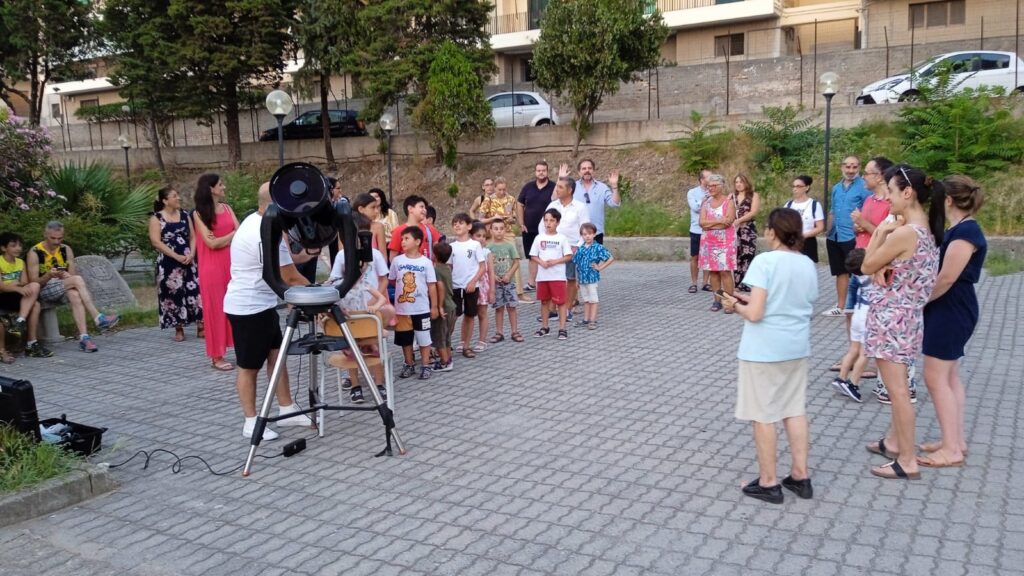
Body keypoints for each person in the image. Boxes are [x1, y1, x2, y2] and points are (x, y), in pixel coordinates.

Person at [721, 208, 818, 504]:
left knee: (763, 414)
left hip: (763, 349)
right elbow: (791, 300)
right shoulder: (807, 264)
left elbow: (756, 313)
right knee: (794, 410)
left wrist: (735, 305)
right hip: (796, 345)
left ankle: (768, 481)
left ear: (772, 232)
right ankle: (801, 476)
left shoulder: (764, 261)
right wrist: (751, 300)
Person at [860, 164, 943, 480]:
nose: (888, 199)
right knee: (898, 388)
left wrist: (879, 231)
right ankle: (894, 441)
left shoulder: (904, 233)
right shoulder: (927, 231)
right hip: (907, 319)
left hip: (892, 321)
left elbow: (867, 264)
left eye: (892, 192)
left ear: (907, 193)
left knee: (897, 392)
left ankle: (907, 460)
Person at [223, 182, 313, 441]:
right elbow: (290, 277)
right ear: (273, 205)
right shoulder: (263, 232)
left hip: (263, 304)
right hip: (248, 308)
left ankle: (287, 408)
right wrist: (323, 295)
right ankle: (251, 421)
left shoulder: (258, 220)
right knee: (249, 366)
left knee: (277, 356)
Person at [918, 175, 987, 468]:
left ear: (948, 200)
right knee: (949, 377)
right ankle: (955, 440)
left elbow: (946, 278)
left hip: (952, 309)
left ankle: (951, 449)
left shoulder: (965, 233)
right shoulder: (960, 229)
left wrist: (918, 301)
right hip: (952, 308)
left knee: (935, 377)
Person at [327, 213, 394, 404]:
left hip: (368, 312)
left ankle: (379, 383)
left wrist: (375, 302)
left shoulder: (375, 255)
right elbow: (334, 282)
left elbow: (383, 278)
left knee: (374, 346)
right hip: (349, 314)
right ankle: (355, 386)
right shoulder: (341, 256)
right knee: (351, 347)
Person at [26, 221, 120, 353]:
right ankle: (98, 317)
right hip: (44, 289)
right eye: (53, 238)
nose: (56, 242)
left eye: (60, 238)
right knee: (77, 281)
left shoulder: (65, 249)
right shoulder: (35, 252)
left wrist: (65, 275)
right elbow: (33, 282)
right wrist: (48, 275)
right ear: (45, 235)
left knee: (75, 295)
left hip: (63, 286)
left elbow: (72, 275)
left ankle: (84, 338)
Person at [192, 173, 238, 370]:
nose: (224, 187)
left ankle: (239, 347)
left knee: (236, 307)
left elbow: (240, 232)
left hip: (232, 264)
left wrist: (226, 238)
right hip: (212, 267)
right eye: (220, 184)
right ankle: (216, 355)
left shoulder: (227, 208)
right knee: (216, 309)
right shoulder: (198, 213)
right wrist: (232, 235)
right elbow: (211, 243)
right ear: (210, 188)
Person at [148, 187, 202, 342]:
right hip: (169, 263)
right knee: (172, 293)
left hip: (188, 260)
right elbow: (156, 242)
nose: (178, 198)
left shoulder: (185, 215)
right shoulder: (156, 218)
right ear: (165, 201)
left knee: (195, 291)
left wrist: (191, 253)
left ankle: (201, 325)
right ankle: (179, 327)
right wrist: (176, 256)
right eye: (174, 196)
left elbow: (192, 236)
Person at [388, 226, 438, 380]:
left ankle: (425, 365)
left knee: (423, 338)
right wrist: (404, 294)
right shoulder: (397, 261)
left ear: (417, 241)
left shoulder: (426, 262)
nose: (402, 241)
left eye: (406, 238)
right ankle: (408, 363)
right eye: (402, 239)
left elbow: (431, 285)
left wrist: (434, 306)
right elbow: (392, 280)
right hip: (402, 310)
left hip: (421, 309)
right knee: (405, 338)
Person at [823, 155, 870, 317]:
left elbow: (868, 211)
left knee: (857, 271)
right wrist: (827, 230)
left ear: (859, 168)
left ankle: (857, 304)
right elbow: (832, 210)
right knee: (840, 271)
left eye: (854, 167)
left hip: (852, 235)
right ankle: (841, 306)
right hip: (834, 235)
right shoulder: (836, 188)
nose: (850, 170)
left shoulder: (864, 188)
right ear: (842, 167)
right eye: (847, 167)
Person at [0, 232, 51, 361]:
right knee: (35, 304)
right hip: (3, 297)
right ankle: (6, 350)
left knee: (34, 288)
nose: (18, 248)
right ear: (3, 248)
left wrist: (17, 286)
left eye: (19, 245)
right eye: (13, 245)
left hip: (16, 295)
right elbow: (1, 286)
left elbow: (25, 282)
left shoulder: (20, 262)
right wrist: (17, 286)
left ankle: (26, 333)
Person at [830, 248, 872, 403]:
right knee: (865, 353)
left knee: (853, 350)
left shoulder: (857, 276)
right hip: (868, 317)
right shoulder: (873, 275)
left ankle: (841, 378)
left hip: (857, 315)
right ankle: (853, 384)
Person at [547, 172, 590, 317]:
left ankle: (567, 309)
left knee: (570, 279)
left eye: (560, 187)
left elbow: (585, 229)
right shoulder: (553, 205)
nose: (556, 190)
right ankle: (552, 309)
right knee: (553, 278)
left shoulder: (580, 207)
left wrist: (577, 246)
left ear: (569, 190)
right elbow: (543, 225)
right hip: (552, 247)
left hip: (571, 248)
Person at [530, 209, 573, 340]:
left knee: (560, 302)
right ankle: (545, 327)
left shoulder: (562, 238)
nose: (548, 223)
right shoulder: (539, 237)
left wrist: (555, 261)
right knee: (544, 302)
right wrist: (541, 262)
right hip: (543, 277)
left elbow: (568, 256)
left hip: (557, 276)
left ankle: (562, 328)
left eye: (552, 220)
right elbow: (533, 255)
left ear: (557, 222)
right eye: (546, 220)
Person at [448, 213, 485, 359]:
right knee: (452, 316)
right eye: (455, 223)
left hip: (471, 287)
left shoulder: (475, 245)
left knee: (470, 315)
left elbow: (482, 267)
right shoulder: (451, 247)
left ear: (469, 226)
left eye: (461, 223)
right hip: (455, 287)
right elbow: (449, 267)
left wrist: (472, 281)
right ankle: (445, 344)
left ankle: (466, 345)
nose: (457, 225)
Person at [699, 174, 737, 312]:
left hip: (724, 242)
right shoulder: (706, 202)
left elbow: (728, 222)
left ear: (722, 186)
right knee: (713, 272)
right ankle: (717, 300)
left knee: (725, 272)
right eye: (709, 186)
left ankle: (730, 302)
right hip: (709, 242)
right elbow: (702, 223)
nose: (712, 188)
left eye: (715, 185)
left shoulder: (729, 202)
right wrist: (719, 221)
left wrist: (711, 224)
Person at [517, 161, 556, 292]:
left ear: (547, 171)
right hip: (529, 228)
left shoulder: (554, 187)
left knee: (549, 255)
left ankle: (548, 283)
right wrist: (521, 223)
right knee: (532, 256)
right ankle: (531, 284)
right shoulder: (528, 187)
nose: (541, 173)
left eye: (543, 170)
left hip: (548, 229)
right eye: (538, 170)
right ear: (535, 172)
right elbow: (519, 204)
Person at [572, 222, 614, 329]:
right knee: (586, 300)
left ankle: (593, 320)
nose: (587, 236)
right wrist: (577, 280)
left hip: (592, 278)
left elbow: (610, 258)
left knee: (593, 299)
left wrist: (600, 267)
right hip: (582, 279)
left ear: (594, 234)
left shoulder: (598, 247)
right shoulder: (580, 249)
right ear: (581, 236)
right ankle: (586, 319)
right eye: (585, 234)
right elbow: (576, 264)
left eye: (590, 234)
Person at [488, 219, 522, 343]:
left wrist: (509, 274)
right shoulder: (488, 248)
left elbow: (516, 262)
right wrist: (493, 276)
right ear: (490, 231)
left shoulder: (509, 246)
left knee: (511, 307)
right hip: (496, 283)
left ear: (505, 230)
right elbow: (487, 266)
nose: (499, 231)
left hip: (510, 282)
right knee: (499, 308)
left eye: (501, 228)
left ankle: (514, 331)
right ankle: (499, 332)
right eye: (496, 229)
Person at [573, 159, 621, 244]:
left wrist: (614, 186)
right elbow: (557, 200)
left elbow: (615, 204)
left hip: (596, 233)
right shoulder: (572, 187)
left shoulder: (602, 187)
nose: (587, 170)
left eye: (589, 168)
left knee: (596, 258)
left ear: (593, 171)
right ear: (579, 172)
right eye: (584, 169)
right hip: (576, 233)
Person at [387, 195, 440, 262]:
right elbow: (393, 259)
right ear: (410, 209)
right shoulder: (398, 231)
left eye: (425, 208)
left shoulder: (430, 230)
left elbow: (437, 252)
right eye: (421, 207)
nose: (425, 210)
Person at [784, 175, 825, 262]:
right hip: (791, 242)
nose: (795, 189)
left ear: (807, 188)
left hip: (807, 243)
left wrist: (804, 235)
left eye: (798, 186)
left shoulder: (814, 205)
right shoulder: (788, 205)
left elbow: (820, 227)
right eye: (793, 186)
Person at [732, 174, 761, 291]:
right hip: (734, 230)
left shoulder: (754, 195)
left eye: (741, 182)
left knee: (748, 255)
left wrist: (739, 220)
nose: (738, 184)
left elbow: (753, 212)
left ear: (746, 183)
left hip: (748, 229)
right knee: (736, 255)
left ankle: (747, 283)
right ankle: (737, 283)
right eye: (736, 182)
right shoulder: (732, 197)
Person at [430, 241, 456, 373]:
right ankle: (448, 359)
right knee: (446, 336)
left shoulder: (436, 270)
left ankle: (444, 362)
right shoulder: (447, 268)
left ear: (434, 255)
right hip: (451, 306)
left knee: (439, 336)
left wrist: (438, 306)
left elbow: (440, 287)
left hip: (444, 307)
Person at [687, 170, 712, 293]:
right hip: (696, 229)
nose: (712, 179)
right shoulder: (692, 192)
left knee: (707, 257)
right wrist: (705, 198)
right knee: (695, 257)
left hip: (710, 229)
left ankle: (705, 283)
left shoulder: (714, 192)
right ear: (702, 180)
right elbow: (696, 208)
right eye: (709, 177)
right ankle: (693, 283)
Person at [471, 222, 494, 352]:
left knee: (482, 313)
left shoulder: (487, 252)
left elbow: (491, 272)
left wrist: (492, 291)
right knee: (469, 314)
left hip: (484, 286)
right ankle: (464, 340)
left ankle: (482, 340)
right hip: (471, 285)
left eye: (484, 236)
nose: (481, 239)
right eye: (478, 235)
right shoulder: (468, 250)